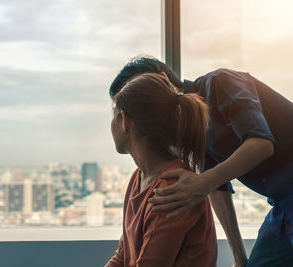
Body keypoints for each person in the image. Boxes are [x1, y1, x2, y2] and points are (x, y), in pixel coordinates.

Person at [109, 56, 293, 267]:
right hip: (284, 205)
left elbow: (261, 143)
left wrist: (204, 182)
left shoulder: (221, 82)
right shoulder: (193, 133)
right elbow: (218, 189)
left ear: (163, 79)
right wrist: (239, 257)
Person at [105, 73, 217, 267]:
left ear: (124, 120)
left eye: (113, 115)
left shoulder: (171, 188)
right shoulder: (138, 178)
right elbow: (123, 255)